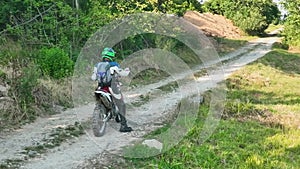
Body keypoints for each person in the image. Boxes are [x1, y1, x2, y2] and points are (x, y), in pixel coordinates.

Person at [91, 47, 133, 132]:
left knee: (98, 101)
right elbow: (122, 73)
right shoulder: (114, 64)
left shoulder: (97, 65)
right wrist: (127, 71)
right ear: (112, 55)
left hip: (100, 87)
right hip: (111, 87)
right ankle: (123, 126)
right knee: (121, 104)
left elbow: (93, 77)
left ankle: (104, 112)